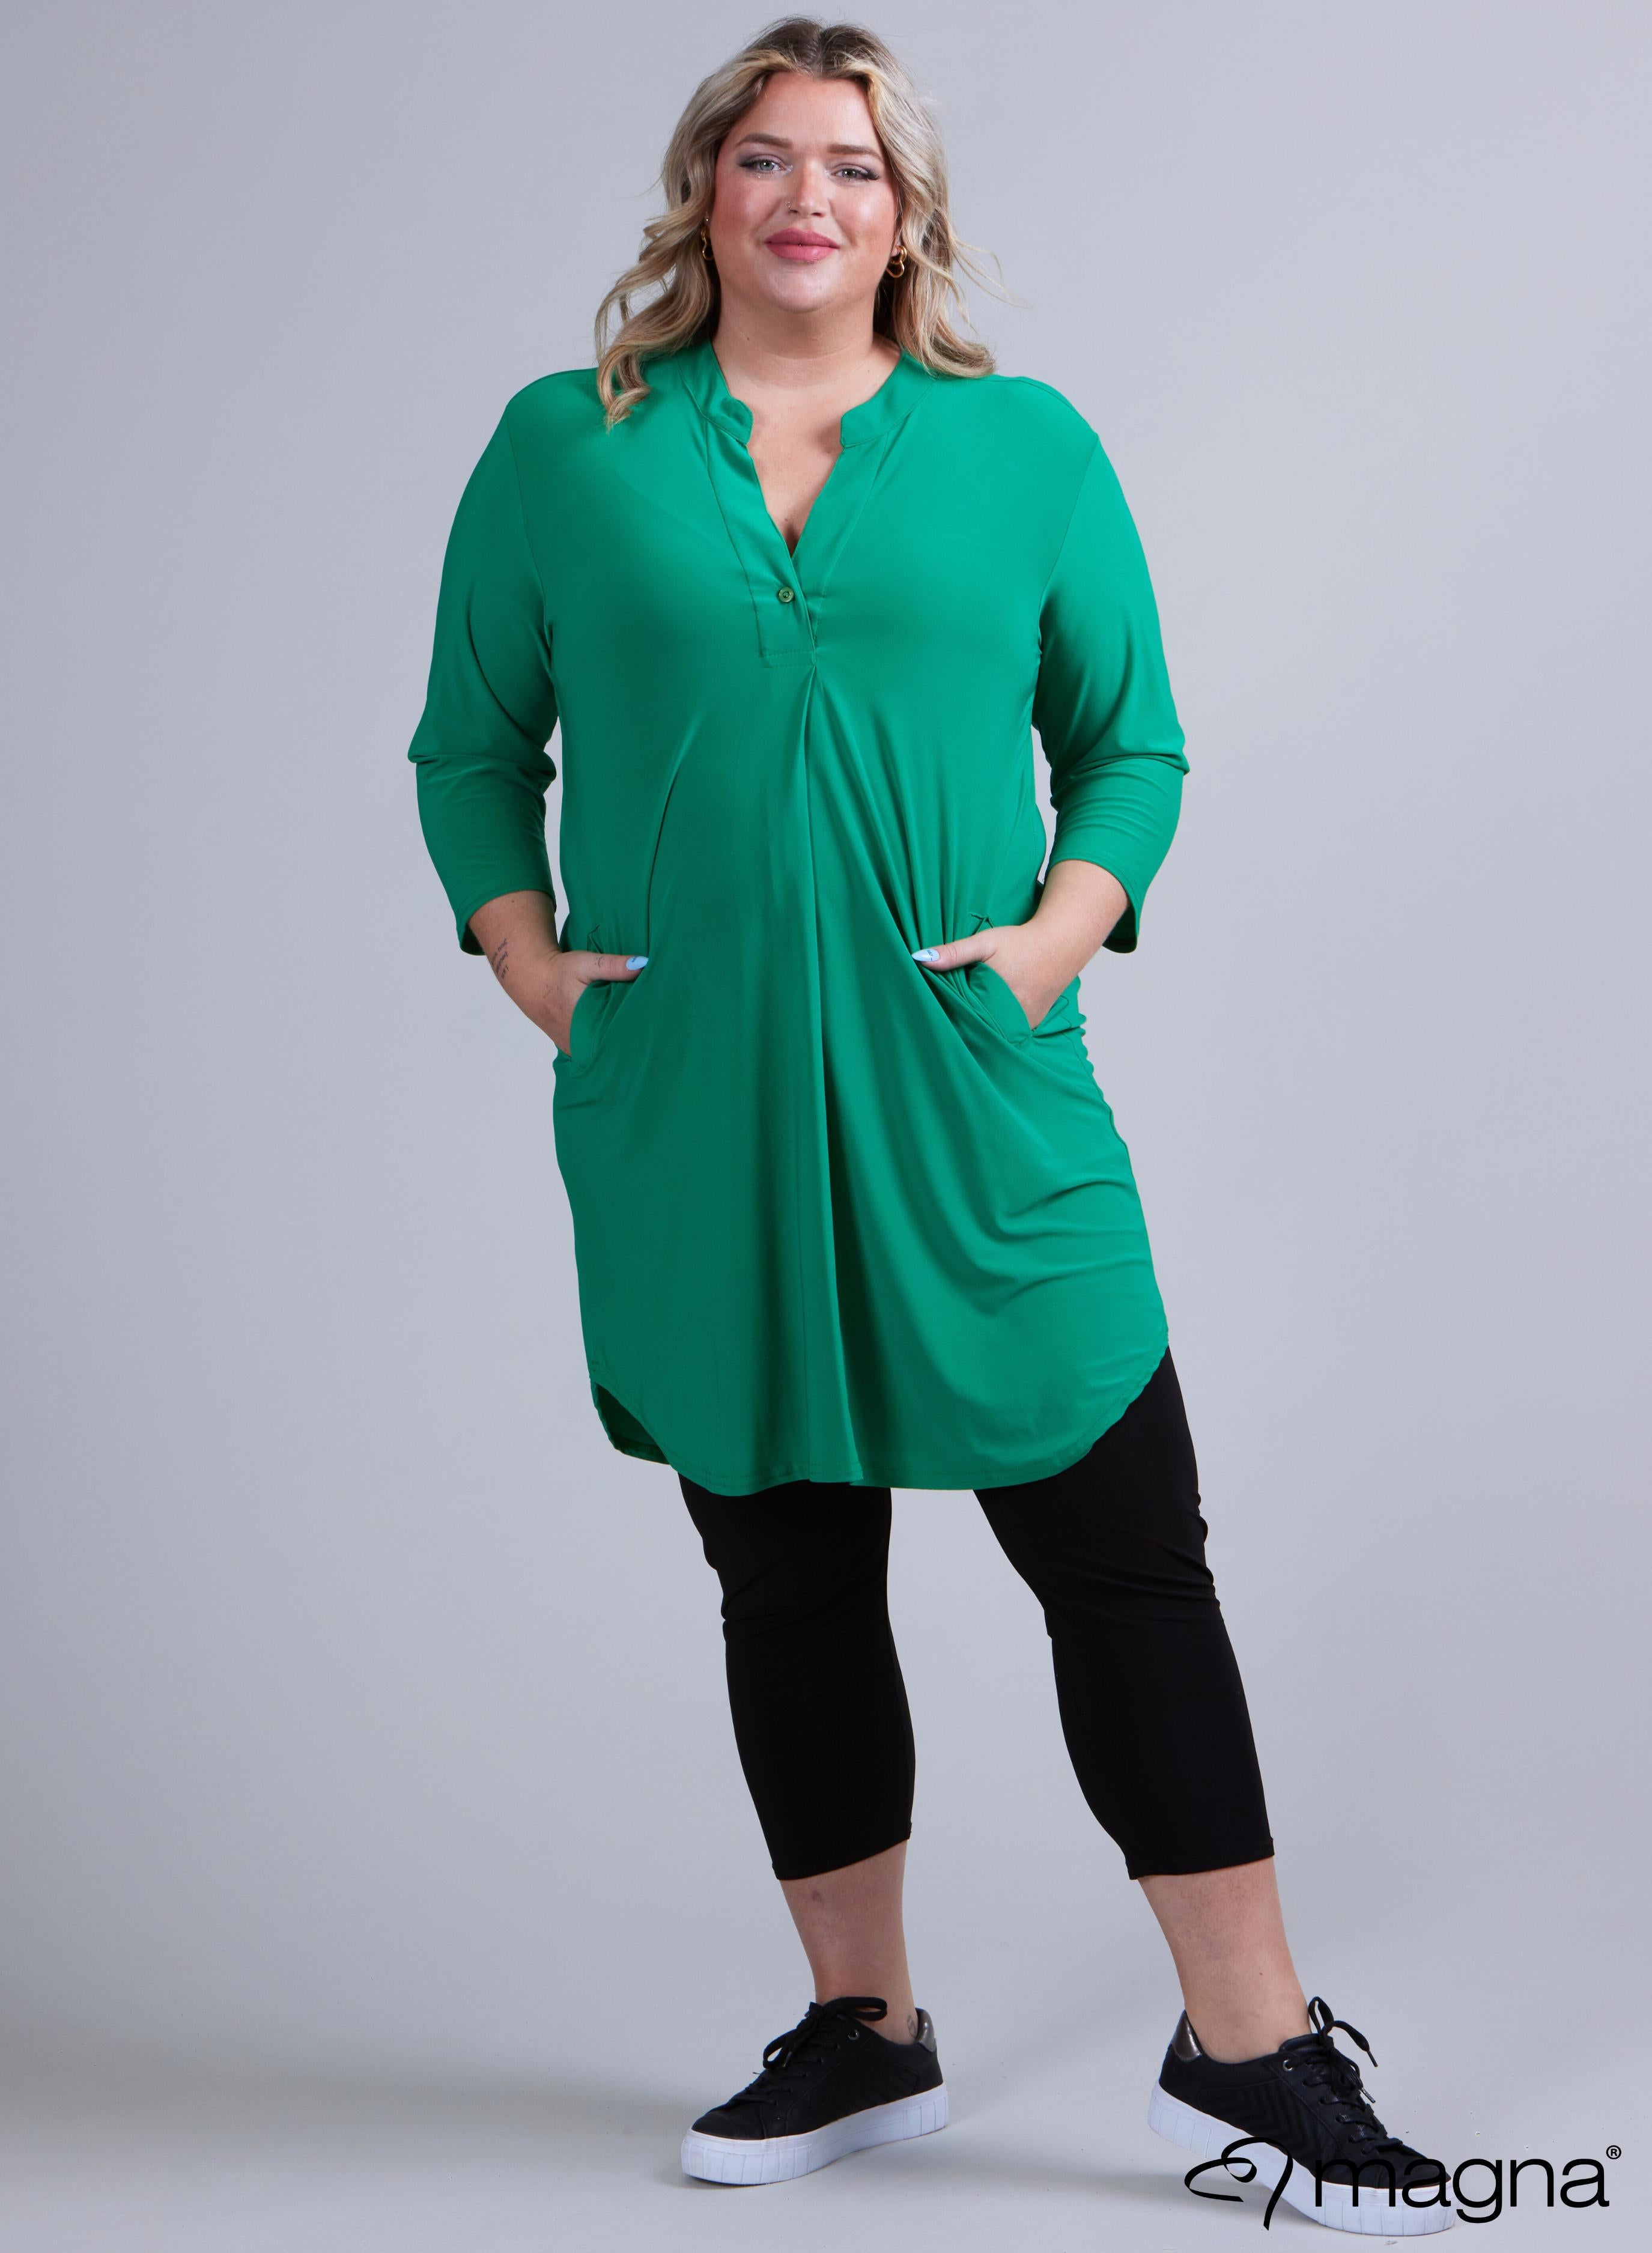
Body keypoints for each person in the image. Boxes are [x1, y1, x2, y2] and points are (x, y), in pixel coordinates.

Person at [408, 16, 1451, 2234]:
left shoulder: (1023, 447)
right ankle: (864, 2028)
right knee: (787, 1569)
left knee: (1124, 1550)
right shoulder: (567, 445)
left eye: (855, 167)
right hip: (695, 1106)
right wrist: (528, 961)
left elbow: (1133, 742)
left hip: (974, 1085)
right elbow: (471, 746)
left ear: (908, 216)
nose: (810, 197)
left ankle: (1250, 2045)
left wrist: (1059, 942)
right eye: (768, 158)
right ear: (705, 191)